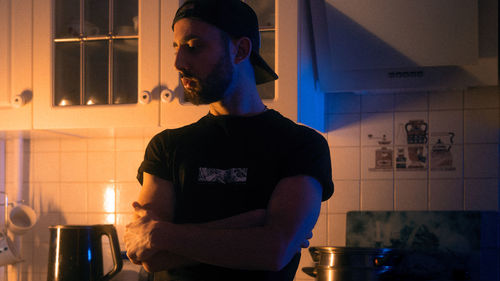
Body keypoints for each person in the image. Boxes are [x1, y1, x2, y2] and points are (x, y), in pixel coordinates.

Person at [124, 0, 334, 280]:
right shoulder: (167, 147)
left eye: (193, 45)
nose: (178, 63)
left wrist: (162, 233)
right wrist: (248, 224)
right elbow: (150, 256)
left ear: (241, 50)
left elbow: (273, 251)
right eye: (176, 47)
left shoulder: (302, 146)